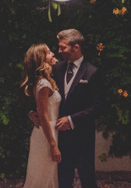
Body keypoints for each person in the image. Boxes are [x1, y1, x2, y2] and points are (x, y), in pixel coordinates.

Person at [53, 29, 101, 188]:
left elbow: (98, 107)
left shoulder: (92, 72)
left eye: (63, 47)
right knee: (63, 178)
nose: (59, 51)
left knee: (87, 177)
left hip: (82, 135)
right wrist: (33, 112)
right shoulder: (57, 69)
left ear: (76, 47)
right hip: (61, 136)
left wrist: (71, 120)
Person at [20, 43, 62, 188]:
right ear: (41, 59)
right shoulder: (43, 83)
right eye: (49, 52)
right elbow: (43, 115)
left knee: (47, 176)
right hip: (46, 135)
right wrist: (52, 145)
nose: (53, 54)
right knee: (43, 178)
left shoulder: (45, 80)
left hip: (49, 131)